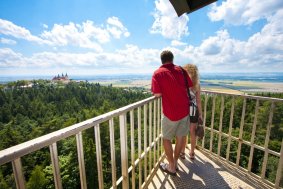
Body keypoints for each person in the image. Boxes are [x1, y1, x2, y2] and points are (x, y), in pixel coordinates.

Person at [151, 50, 193, 176]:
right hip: (184, 111)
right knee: (180, 137)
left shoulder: (157, 73)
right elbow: (190, 87)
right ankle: (175, 162)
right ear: (172, 59)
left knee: (166, 138)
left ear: (161, 60)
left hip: (170, 113)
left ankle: (171, 166)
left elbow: (157, 94)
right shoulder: (181, 70)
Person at [180, 63, 203, 160]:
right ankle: (192, 152)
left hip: (184, 109)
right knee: (192, 132)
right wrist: (200, 114)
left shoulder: (183, 83)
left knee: (184, 132)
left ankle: (182, 152)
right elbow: (198, 101)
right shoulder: (197, 85)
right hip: (194, 111)